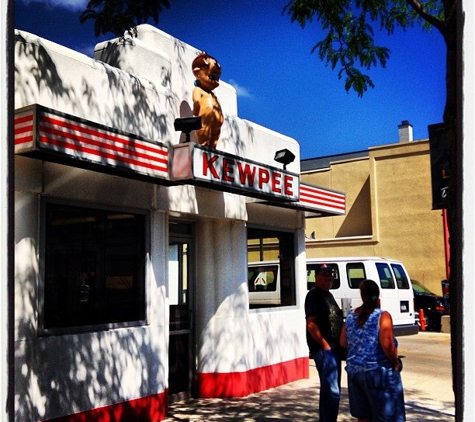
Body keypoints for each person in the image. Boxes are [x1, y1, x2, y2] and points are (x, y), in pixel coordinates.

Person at [340, 279, 406, 422]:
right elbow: (387, 344)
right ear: (378, 296)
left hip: (355, 374)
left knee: (364, 418)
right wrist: (395, 363)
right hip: (378, 374)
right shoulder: (383, 316)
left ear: (362, 296)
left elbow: (343, 342)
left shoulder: (351, 317)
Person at [305, 264, 344, 422]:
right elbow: (311, 324)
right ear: (316, 277)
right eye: (324, 275)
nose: (328, 278)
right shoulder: (314, 295)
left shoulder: (329, 295)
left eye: (330, 275)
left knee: (334, 391)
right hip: (324, 350)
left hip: (335, 349)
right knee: (331, 390)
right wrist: (325, 346)